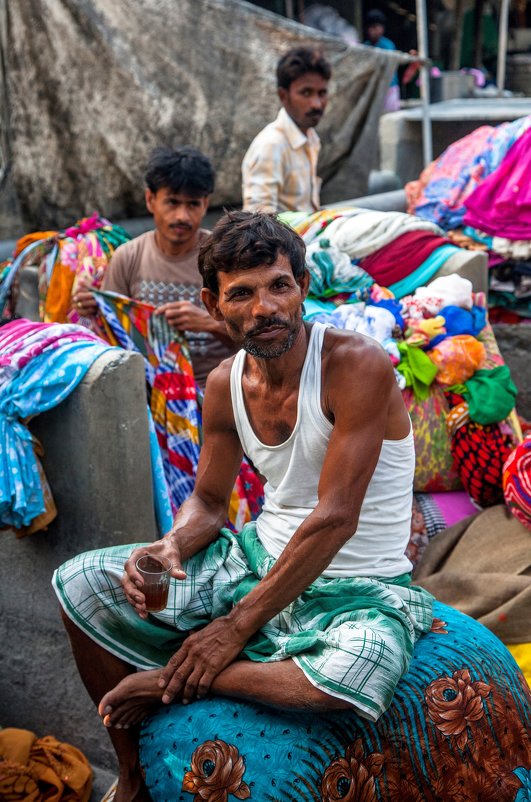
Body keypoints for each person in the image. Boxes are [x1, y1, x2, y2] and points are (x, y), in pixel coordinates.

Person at [53, 212, 433, 802]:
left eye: (280, 286)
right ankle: (131, 777)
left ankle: (168, 683)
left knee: (362, 669)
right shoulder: (225, 383)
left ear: (303, 287)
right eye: (243, 294)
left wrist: (231, 631)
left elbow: (335, 517)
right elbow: (208, 501)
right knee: (78, 582)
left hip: (360, 585)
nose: (266, 308)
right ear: (213, 303)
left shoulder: (356, 365)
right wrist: (171, 545)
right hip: (255, 559)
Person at [73, 145, 234, 388]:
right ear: (150, 200)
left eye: (192, 204)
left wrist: (208, 322)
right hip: (146, 390)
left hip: (214, 388)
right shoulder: (128, 257)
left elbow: (256, 334)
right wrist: (93, 310)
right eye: (172, 202)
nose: (182, 215)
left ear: (205, 204)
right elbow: (111, 341)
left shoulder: (224, 257)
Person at [241, 47, 331, 214]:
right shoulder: (271, 145)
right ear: (283, 95)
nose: (316, 104)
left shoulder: (310, 138)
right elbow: (258, 224)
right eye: (306, 93)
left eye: (322, 93)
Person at [364, 10, 401, 113]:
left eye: (377, 27)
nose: (375, 30)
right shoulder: (365, 46)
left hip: (389, 88)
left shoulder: (388, 45)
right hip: (372, 89)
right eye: (372, 27)